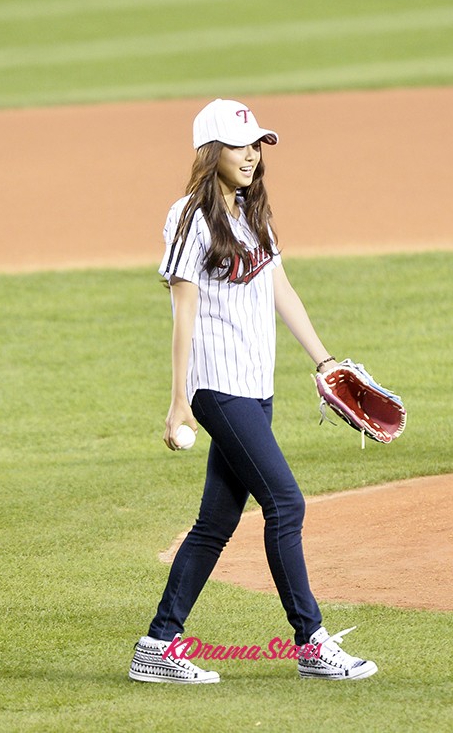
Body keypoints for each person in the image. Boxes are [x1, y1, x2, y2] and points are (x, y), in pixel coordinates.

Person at [129, 99, 378, 684]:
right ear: (211, 151)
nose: (251, 155)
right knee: (286, 503)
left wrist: (324, 360)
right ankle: (311, 642)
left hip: (256, 390)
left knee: (214, 524)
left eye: (257, 144)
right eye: (239, 145)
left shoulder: (252, 211)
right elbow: (182, 312)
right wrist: (177, 401)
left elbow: (280, 288)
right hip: (218, 389)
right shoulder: (189, 217)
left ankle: (157, 645)